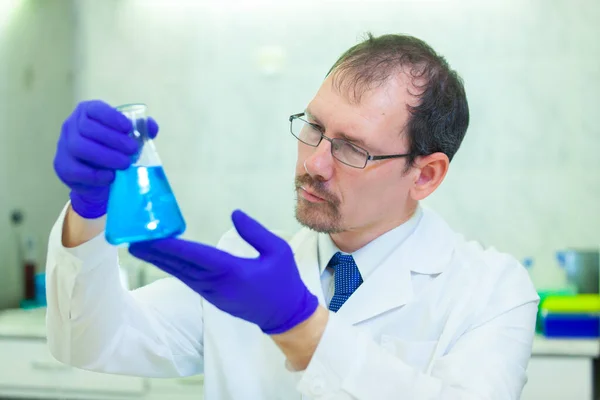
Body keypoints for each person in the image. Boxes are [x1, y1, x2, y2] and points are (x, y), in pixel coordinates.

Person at [46, 33, 539, 399]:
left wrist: (299, 324)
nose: (314, 163)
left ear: (426, 175)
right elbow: (90, 343)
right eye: (314, 128)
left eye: (352, 149)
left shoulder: (492, 292)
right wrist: (89, 211)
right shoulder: (242, 265)